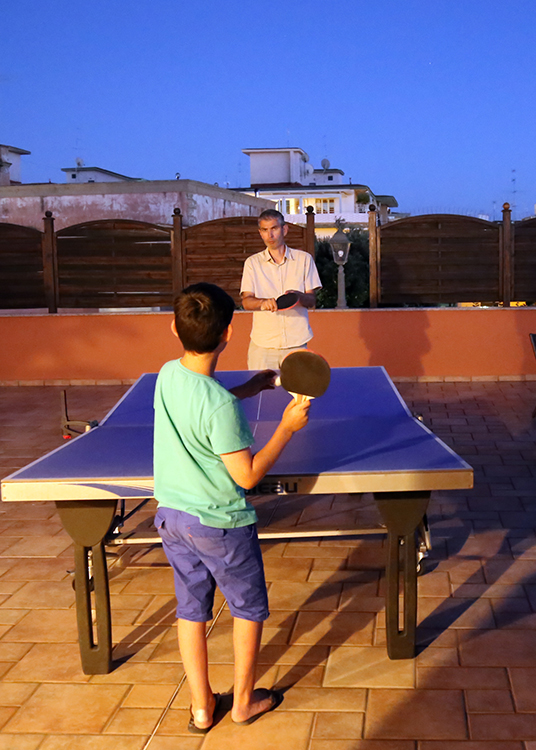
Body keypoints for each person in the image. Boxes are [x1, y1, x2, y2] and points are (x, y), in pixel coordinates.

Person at [153, 282, 310, 732]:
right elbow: (246, 475)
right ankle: (242, 703)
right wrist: (287, 427)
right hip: (220, 525)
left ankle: (202, 707)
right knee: (247, 608)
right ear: (228, 334)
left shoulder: (167, 373)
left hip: (172, 518)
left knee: (191, 610)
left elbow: (200, 403)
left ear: (174, 329)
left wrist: (246, 389)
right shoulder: (221, 407)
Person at [240, 209, 323, 371]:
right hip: (263, 346)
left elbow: (312, 300)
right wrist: (263, 303)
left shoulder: (304, 259)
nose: (270, 235)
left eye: (274, 228)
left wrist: (298, 297)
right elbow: (246, 301)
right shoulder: (252, 263)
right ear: (260, 233)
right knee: (261, 388)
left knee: (298, 388)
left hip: (297, 343)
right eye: (265, 230)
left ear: (284, 229)